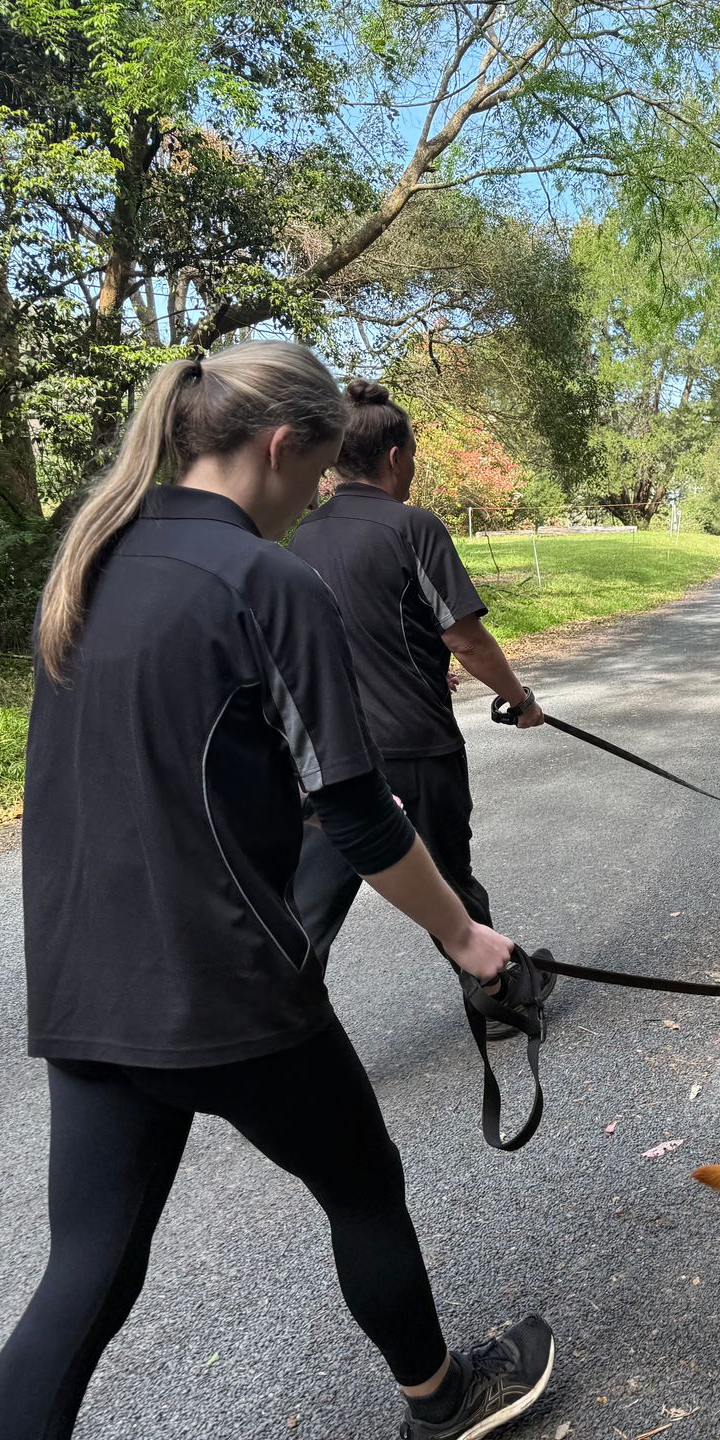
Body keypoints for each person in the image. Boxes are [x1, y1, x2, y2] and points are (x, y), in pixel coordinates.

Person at [0, 342, 555, 1440]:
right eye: (312, 475)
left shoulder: (92, 556)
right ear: (277, 445)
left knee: (91, 1268)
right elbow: (354, 812)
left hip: (81, 980)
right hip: (224, 988)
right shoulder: (266, 579)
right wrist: (465, 937)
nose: (311, 501)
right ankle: (443, 1401)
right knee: (362, 1183)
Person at [289, 379, 554, 1038]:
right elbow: (464, 636)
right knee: (448, 881)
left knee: (308, 907)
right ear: (397, 456)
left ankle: (276, 1027)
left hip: (325, 754)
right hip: (412, 748)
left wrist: (421, 664)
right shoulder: (413, 527)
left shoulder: (299, 540)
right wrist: (518, 699)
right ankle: (498, 997)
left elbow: (341, 639)